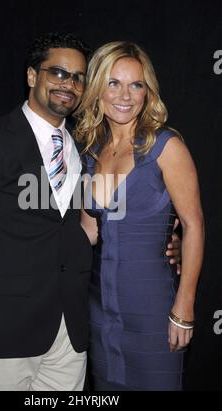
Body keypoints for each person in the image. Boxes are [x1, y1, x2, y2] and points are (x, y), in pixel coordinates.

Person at [0, 33, 181, 391]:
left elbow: (102, 222)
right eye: (58, 74)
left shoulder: (88, 148)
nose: (69, 84)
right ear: (33, 76)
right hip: (0, 333)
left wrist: (169, 239)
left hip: (70, 335)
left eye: (78, 77)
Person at [75, 41, 204, 391]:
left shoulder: (166, 147)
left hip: (153, 311)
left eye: (136, 85)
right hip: (100, 310)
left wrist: (184, 307)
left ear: (148, 92)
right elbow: (86, 234)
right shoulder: (90, 152)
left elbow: (193, 225)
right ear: (97, 88)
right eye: (113, 83)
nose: (125, 95)